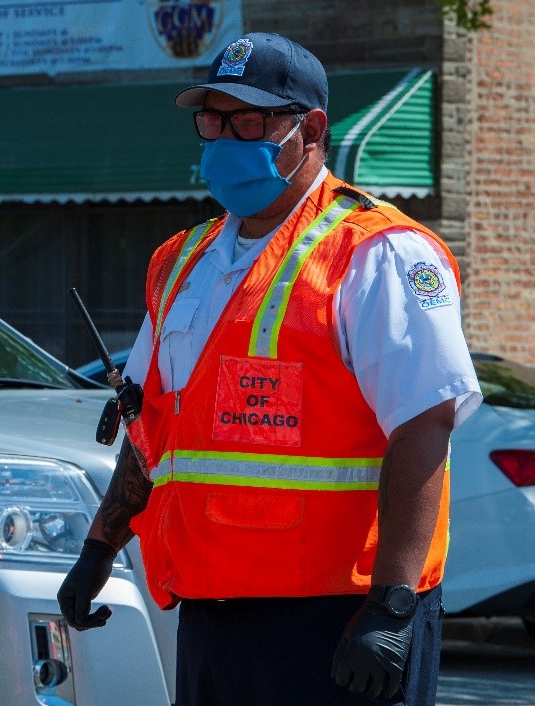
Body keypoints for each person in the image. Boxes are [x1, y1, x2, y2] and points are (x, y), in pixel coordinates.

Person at [58, 32, 481, 706]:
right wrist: (99, 548)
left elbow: (425, 427)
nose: (226, 139)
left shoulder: (379, 253)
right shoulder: (181, 261)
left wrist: (393, 606)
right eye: (213, 120)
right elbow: (148, 423)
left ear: (310, 129)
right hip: (214, 610)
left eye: (250, 121)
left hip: (340, 618)